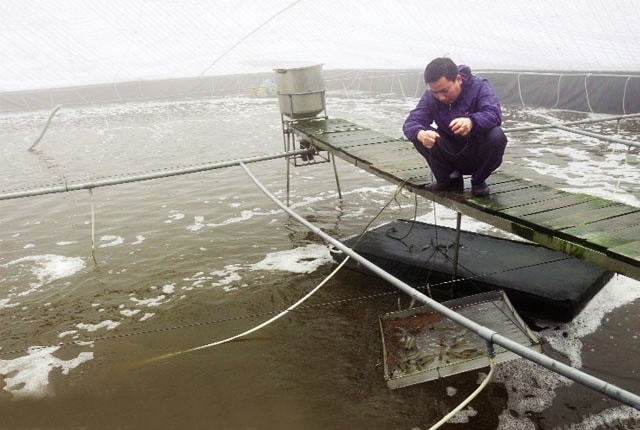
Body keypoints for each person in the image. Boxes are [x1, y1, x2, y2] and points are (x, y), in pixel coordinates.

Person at [403, 57, 507, 196]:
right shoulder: (430, 97)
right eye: (435, 92)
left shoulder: (479, 86)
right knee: (418, 133)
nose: (440, 97)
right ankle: (450, 179)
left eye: (445, 91)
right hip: (450, 151)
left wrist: (472, 122)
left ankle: (478, 181)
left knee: (497, 135)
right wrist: (420, 134)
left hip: (478, 153)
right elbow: (411, 122)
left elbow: (494, 114)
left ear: (458, 79)